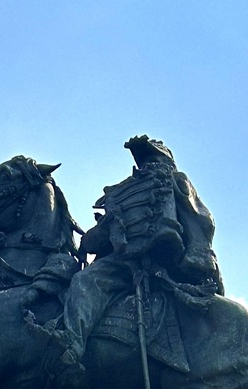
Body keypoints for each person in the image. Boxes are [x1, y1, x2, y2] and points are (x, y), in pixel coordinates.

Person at [60, 135, 224, 369]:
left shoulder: (176, 183)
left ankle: (72, 344)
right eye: (144, 160)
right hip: (124, 260)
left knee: (85, 281)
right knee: (78, 278)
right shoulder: (123, 194)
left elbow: (199, 221)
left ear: (167, 161)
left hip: (153, 264)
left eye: (153, 158)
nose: (148, 164)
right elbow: (100, 238)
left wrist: (197, 262)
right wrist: (91, 239)